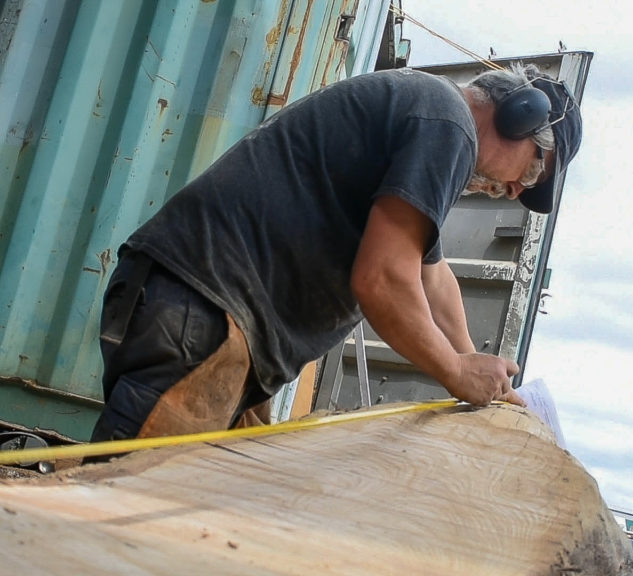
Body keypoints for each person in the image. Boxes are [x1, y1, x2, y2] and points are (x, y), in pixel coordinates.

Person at [89, 63, 582, 443]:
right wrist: (454, 374)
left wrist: (472, 359)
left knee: (203, 522)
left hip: (223, 324)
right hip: (206, 311)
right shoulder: (446, 124)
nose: (517, 190)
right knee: (120, 514)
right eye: (535, 171)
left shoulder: (430, 121)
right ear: (523, 116)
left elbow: (432, 276)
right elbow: (383, 279)